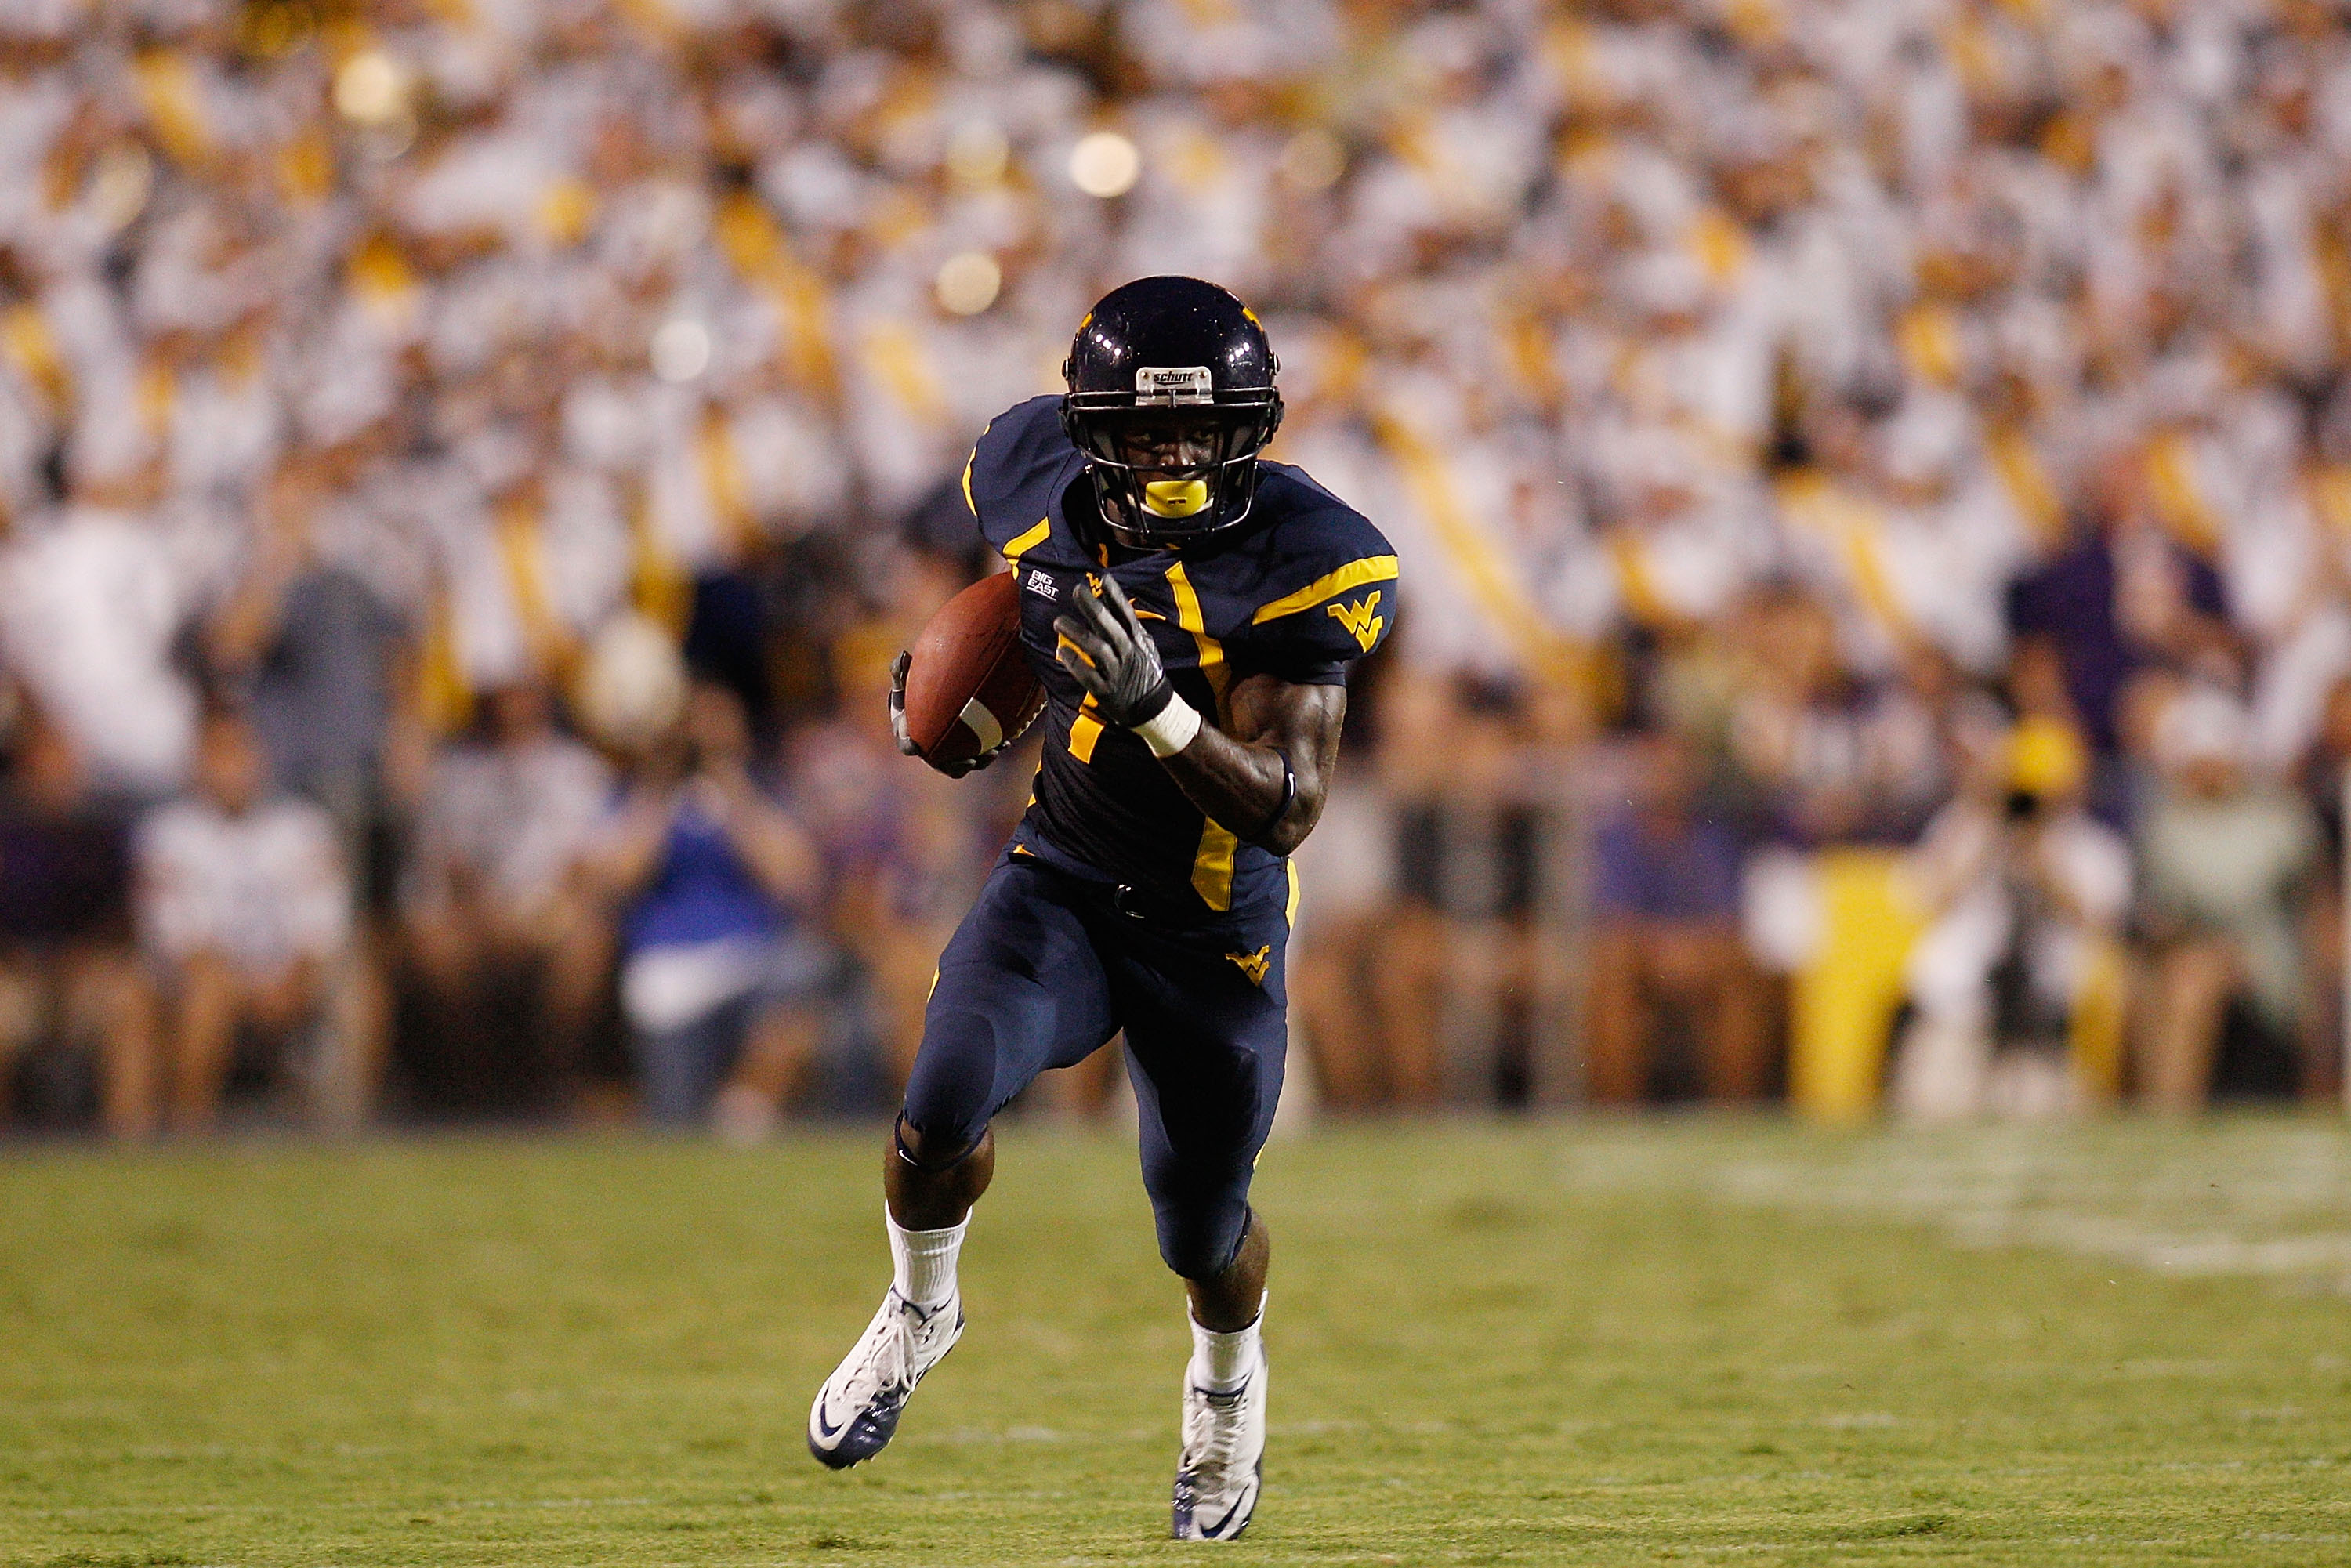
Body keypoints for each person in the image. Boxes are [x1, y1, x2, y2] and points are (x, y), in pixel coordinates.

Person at [806, 278, 1396, 1541]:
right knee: (942, 1095)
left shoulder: (1315, 559)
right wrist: (949, 676)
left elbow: (1288, 806)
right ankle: (922, 1306)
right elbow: (999, 591)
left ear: (1255, 428)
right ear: (1089, 430)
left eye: (1201, 431)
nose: (1175, 459)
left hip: (1212, 935)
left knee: (1202, 1229)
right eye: (1145, 432)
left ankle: (1227, 1388)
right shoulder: (1026, 471)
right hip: (1062, 880)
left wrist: (1159, 711)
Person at [587, 679, 837, 1136]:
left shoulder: (763, 793)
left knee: (806, 976)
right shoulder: (639, 796)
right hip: (668, 972)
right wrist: (660, 778)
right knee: (674, 1121)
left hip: (753, 963)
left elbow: (793, 877)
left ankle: (744, 1110)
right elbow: (618, 877)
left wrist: (729, 781)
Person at [130, 704, 368, 1132]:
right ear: (197, 761)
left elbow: (323, 927)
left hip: (289, 976)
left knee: (358, 986)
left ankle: (349, 1134)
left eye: (240, 751)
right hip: (205, 981)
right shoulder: (167, 832)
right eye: (218, 753)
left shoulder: (303, 825)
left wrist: (294, 979)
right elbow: (179, 940)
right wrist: (242, 986)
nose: (231, 766)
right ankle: (188, 1136)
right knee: (204, 994)